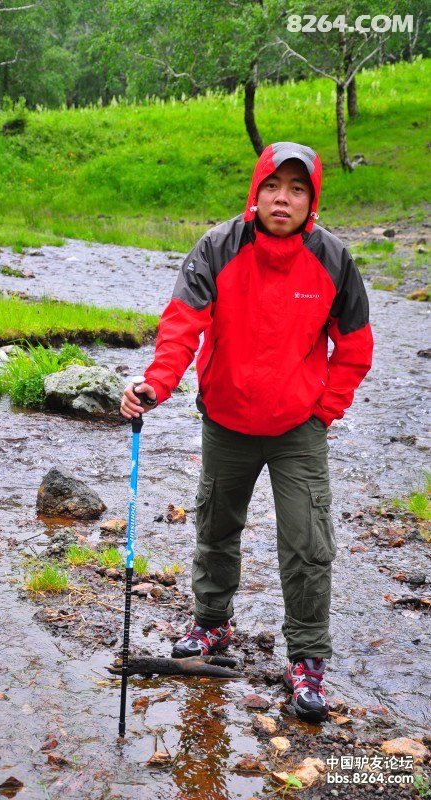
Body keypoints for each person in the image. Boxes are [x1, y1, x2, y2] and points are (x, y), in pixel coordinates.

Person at [120, 142, 374, 722]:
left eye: (297, 189)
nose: (283, 198)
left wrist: (324, 410)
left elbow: (355, 347)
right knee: (216, 526)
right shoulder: (217, 247)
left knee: (308, 545)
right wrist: (156, 386)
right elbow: (183, 324)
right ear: (255, 192)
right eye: (273, 187)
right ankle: (211, 624)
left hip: (297, 429)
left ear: (312, 199)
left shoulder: (333, 259)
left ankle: (307, 660)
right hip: (226, 420)